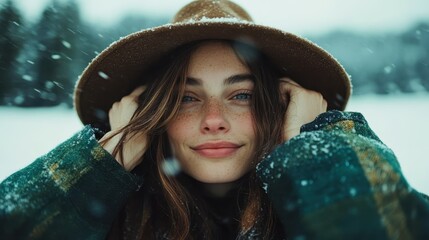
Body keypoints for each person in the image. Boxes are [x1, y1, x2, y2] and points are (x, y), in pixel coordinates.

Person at [1, 0, 428, 239]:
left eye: (241, 95)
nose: (213, 120)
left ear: (279, 107)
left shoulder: (312, 207)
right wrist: (102, 162)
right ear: (154, 115)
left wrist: (316, 145)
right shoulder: (110, 220)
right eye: (186, 98)